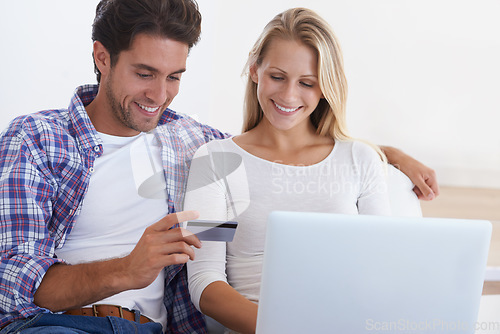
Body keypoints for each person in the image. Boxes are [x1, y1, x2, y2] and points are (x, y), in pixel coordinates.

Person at [0, 1, 437, 333]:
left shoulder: (192, 142)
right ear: (102, 58)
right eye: (145, 73)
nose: (159, 95)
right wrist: (127, 270)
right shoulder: (37, 141)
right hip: (58, 325)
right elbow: (10, 283)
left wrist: (382, 154)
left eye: (174, 77)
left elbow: (278, 142)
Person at [183, 8, 435, 334]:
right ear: (254, 69)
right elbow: (205, 282)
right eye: (277, 76)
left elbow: (380, 270)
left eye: (307, 83)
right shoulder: (215, 162)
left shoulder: (360, 159)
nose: (289, 95)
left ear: (325, 87)